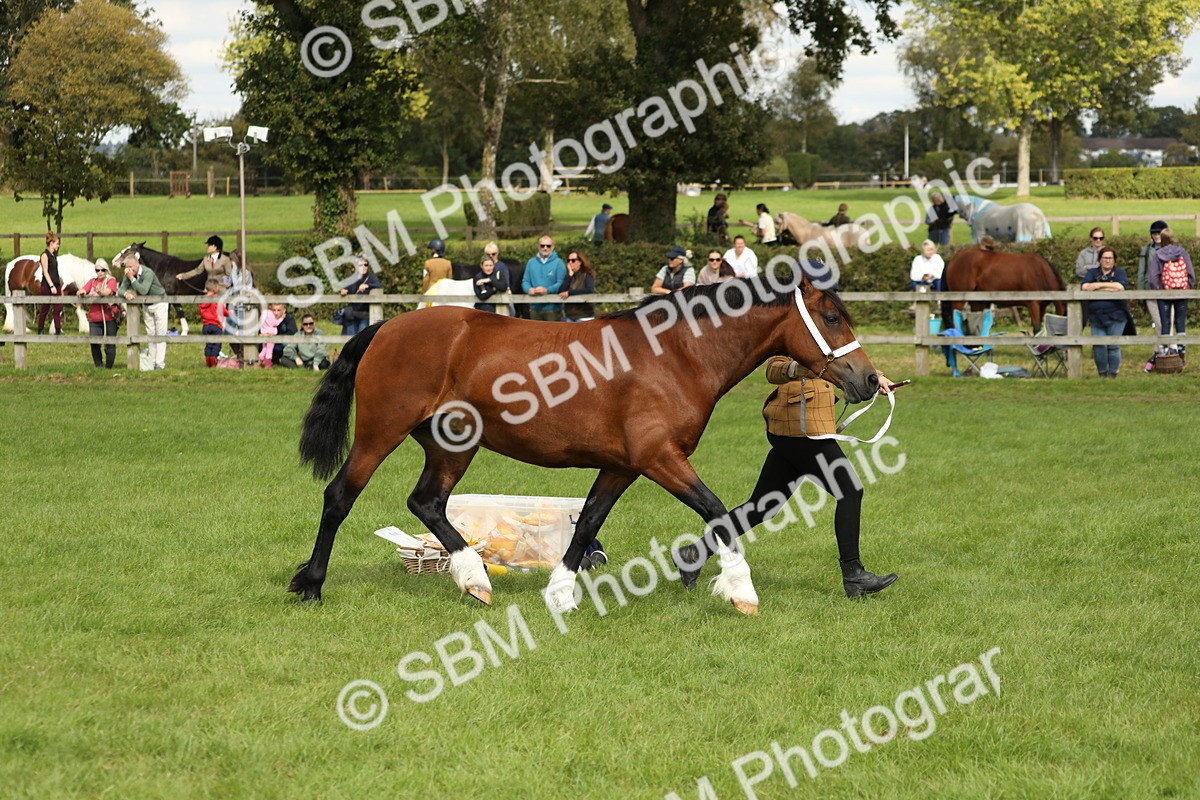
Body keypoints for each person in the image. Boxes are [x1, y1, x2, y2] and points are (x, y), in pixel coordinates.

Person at [671, 356, 899, 598]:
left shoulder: (824, 332)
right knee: (850, 491)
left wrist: (876, 376)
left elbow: (846, 357)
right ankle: (854, 575)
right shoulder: (795, 324)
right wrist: (800, 367)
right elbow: (773, 369)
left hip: (801, 429)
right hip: (801, 429)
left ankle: (693, 554)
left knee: (762, 508)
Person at [1081, 246, 1130, 378]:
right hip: (1096, 316)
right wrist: (1110, 286)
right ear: (1100, 260)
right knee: (1099, 345)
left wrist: (1097, 285)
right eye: (1105, 258)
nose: (1107, 261)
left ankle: (1112, 374)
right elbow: (1085, 286)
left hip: (1117, 315)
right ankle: (1102, 374)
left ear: (1114, 260)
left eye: (1110, 258)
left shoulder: (1120, 272)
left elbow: (1120, 287)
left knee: (1113, 346)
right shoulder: (1092, 272)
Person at [1147, 229, 1195, 358]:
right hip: (1181, 292)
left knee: (1165, 322)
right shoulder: (1182, 252)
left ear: (1162, 240)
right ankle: (1181, 355)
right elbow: (1191, 273)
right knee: (1180, 322)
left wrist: (1159, 289)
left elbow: (1153, 277)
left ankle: (1163, 355)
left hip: (1164, 293)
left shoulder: (1158, 254)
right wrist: (1188, 287)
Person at [119, 253, 169, 370]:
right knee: (150, 333)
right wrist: (126, 294)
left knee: (160, 334)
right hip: (146, 305)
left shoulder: (147, 273)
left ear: (134, 265)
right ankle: (151, 362)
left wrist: (132, 279)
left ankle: (160, 364)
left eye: (128, 267)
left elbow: (144, 290)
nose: (127, 270)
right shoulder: (128, 275)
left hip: (160, 303)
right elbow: (121, 289)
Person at [77, 258, 119, 368]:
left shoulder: (111, 281)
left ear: (107, 271)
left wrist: (100, 291)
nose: (100, 272)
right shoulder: (92, 281)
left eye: (102, 270)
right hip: (94, 317)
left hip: (109, 317)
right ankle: (98, 365)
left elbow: (108, 292)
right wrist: (81, 292)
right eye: (97, 270)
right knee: (94, 342)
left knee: (110, 343)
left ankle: (109, 366)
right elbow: (83, 290)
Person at [522, 235, 567, 321]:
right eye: (542, 245)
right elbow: (525, 281)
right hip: (535, 308)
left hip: (553, 309)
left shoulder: (559, 263)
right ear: (538, 246)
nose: (545, 248)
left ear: (553, 247)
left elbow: (561, 283)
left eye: (548, 246)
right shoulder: (531, 262)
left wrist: (547, 290)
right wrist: (529, 289)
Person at [1136, 220, 1168, 333]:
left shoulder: (1173, 249)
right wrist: (1140, 292)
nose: (1157, 236)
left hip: (1168, 290)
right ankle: (1163, 348)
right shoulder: (1146, 250)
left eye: (1159, 233)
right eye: (1154, 234)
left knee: (1167, 322)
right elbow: (1141, 271)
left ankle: (1163, 348)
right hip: (1151, 289)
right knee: (1158, 322)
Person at [338, 255, 381, 336]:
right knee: (350, 339)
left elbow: (379, 285)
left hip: (364, 315)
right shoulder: (352, 279)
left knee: (361, 338)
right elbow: (345, 289)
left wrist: (367, 286)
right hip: (351, 315)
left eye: (366, 265)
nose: (364, 267)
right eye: (361, 265)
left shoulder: (371, 278)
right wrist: (343, 291)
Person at [37, 232, 64, 335]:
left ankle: (58, 330)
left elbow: (55, 272)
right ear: (51, 243)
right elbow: (45, 271)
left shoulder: (53, 256)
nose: (58, 245)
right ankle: (40, 329)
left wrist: (58, 286)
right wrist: (51, 285)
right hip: (47, 286)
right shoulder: (45, 255)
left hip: (56, 285)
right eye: (57, 243)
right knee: (45, 308)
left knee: (58, 307)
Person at [198, 277, 229, 368]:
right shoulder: (216, 299)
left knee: (209, 344)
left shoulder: (202, 300)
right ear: (215, 288)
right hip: (216, 325)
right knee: (216, 344)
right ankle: (214, 361)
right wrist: (228, 313)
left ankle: (208, 361)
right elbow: (222, 311)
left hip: (206, 325)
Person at [558, 250, 596, 321]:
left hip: (584, 316)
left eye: (573, 260)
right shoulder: (569, 277)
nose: (570, 263)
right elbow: (561, 291)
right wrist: (569, 275)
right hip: (569, 316)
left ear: (580, 262)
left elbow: (589, 289)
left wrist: (569, 293)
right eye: (568, 260)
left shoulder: (587, 275)